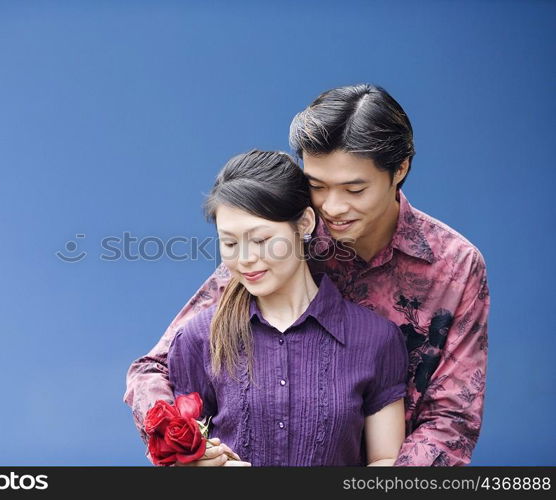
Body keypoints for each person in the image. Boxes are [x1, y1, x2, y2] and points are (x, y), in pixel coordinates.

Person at [125, 84, 490, 466]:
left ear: (399, 170)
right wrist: (186, 450)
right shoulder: (281, 240)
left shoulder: (456, 266)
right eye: (316, 186)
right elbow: (158, 367)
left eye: (354, 188)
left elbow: (452, 419)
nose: (333, 207)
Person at [166, 150, 408, 466]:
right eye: (229, 243)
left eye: (261, 239)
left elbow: (387, 459)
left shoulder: (375, 338)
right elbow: (179, 458)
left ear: (304, 223)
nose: (245, 258)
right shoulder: (198, 339)